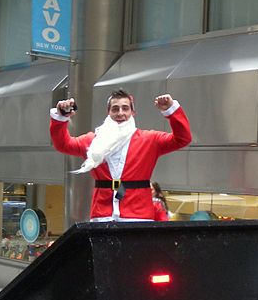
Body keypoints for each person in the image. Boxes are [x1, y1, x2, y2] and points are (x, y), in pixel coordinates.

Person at [50, 89, 191, 221]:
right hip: (102, 215)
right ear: (108, 113)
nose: (120, 113)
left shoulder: (149, 140)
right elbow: (63, 144)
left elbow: (182, 139)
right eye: (115, 109)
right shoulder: (93, 141)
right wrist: (61, 118)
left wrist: (171, 111)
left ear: (132, 112)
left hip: (137, 216)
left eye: (125, 108)